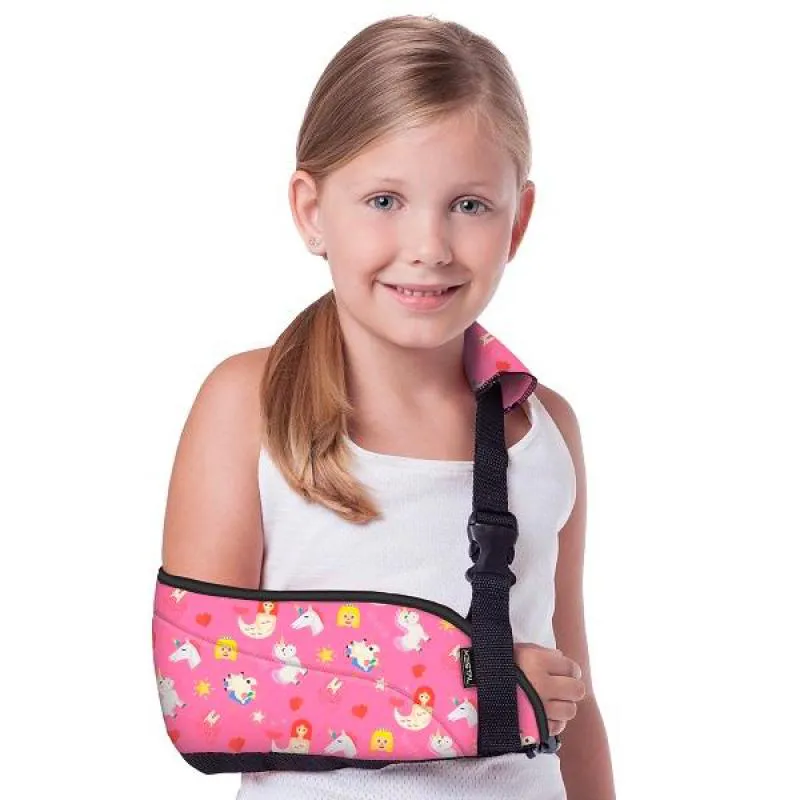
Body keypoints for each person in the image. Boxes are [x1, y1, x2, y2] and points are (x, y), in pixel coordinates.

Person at [160, 13, 615, 800]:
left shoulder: (542, 430)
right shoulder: (247, 406)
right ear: (311, 211)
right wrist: (471, 693)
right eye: (383, 199)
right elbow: (203, 692)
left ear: (518, 221)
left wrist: (504, 696)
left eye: (469, 205)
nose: (429, 246)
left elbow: (574, 697)